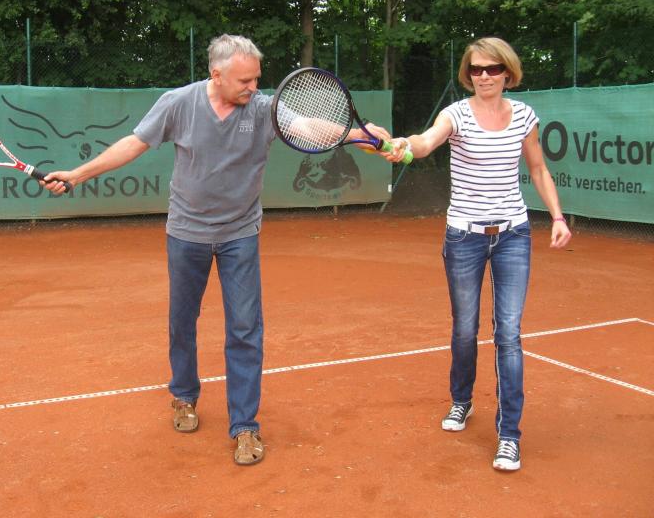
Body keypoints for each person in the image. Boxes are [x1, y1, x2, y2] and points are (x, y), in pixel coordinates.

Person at [41, 34, 391, 465]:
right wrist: (78, 174)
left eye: (256, 79)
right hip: (186, 232)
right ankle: (184, 396)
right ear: (217, 74)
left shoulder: (262, 108)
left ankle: (244, 426)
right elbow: (135, 142)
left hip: (239, 234)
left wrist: (357, 134)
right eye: (245, 81)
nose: (253, 87)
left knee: (245, 329)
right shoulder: (179, 103)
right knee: (182, 321)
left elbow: (307, 128)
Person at [382, 37, 571, 472]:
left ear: (508, 72)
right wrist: (406, 146)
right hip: (464, 238)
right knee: (465, 329)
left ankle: (509, 436)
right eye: (476, 69)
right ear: (468, 75)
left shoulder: (524, 116)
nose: (484, 76)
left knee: (509, 333)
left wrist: (557, 217)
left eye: (492, 68)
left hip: (513, 236)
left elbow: (538, 168)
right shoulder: (456, 114)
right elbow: (427, 141)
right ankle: (462, 399)